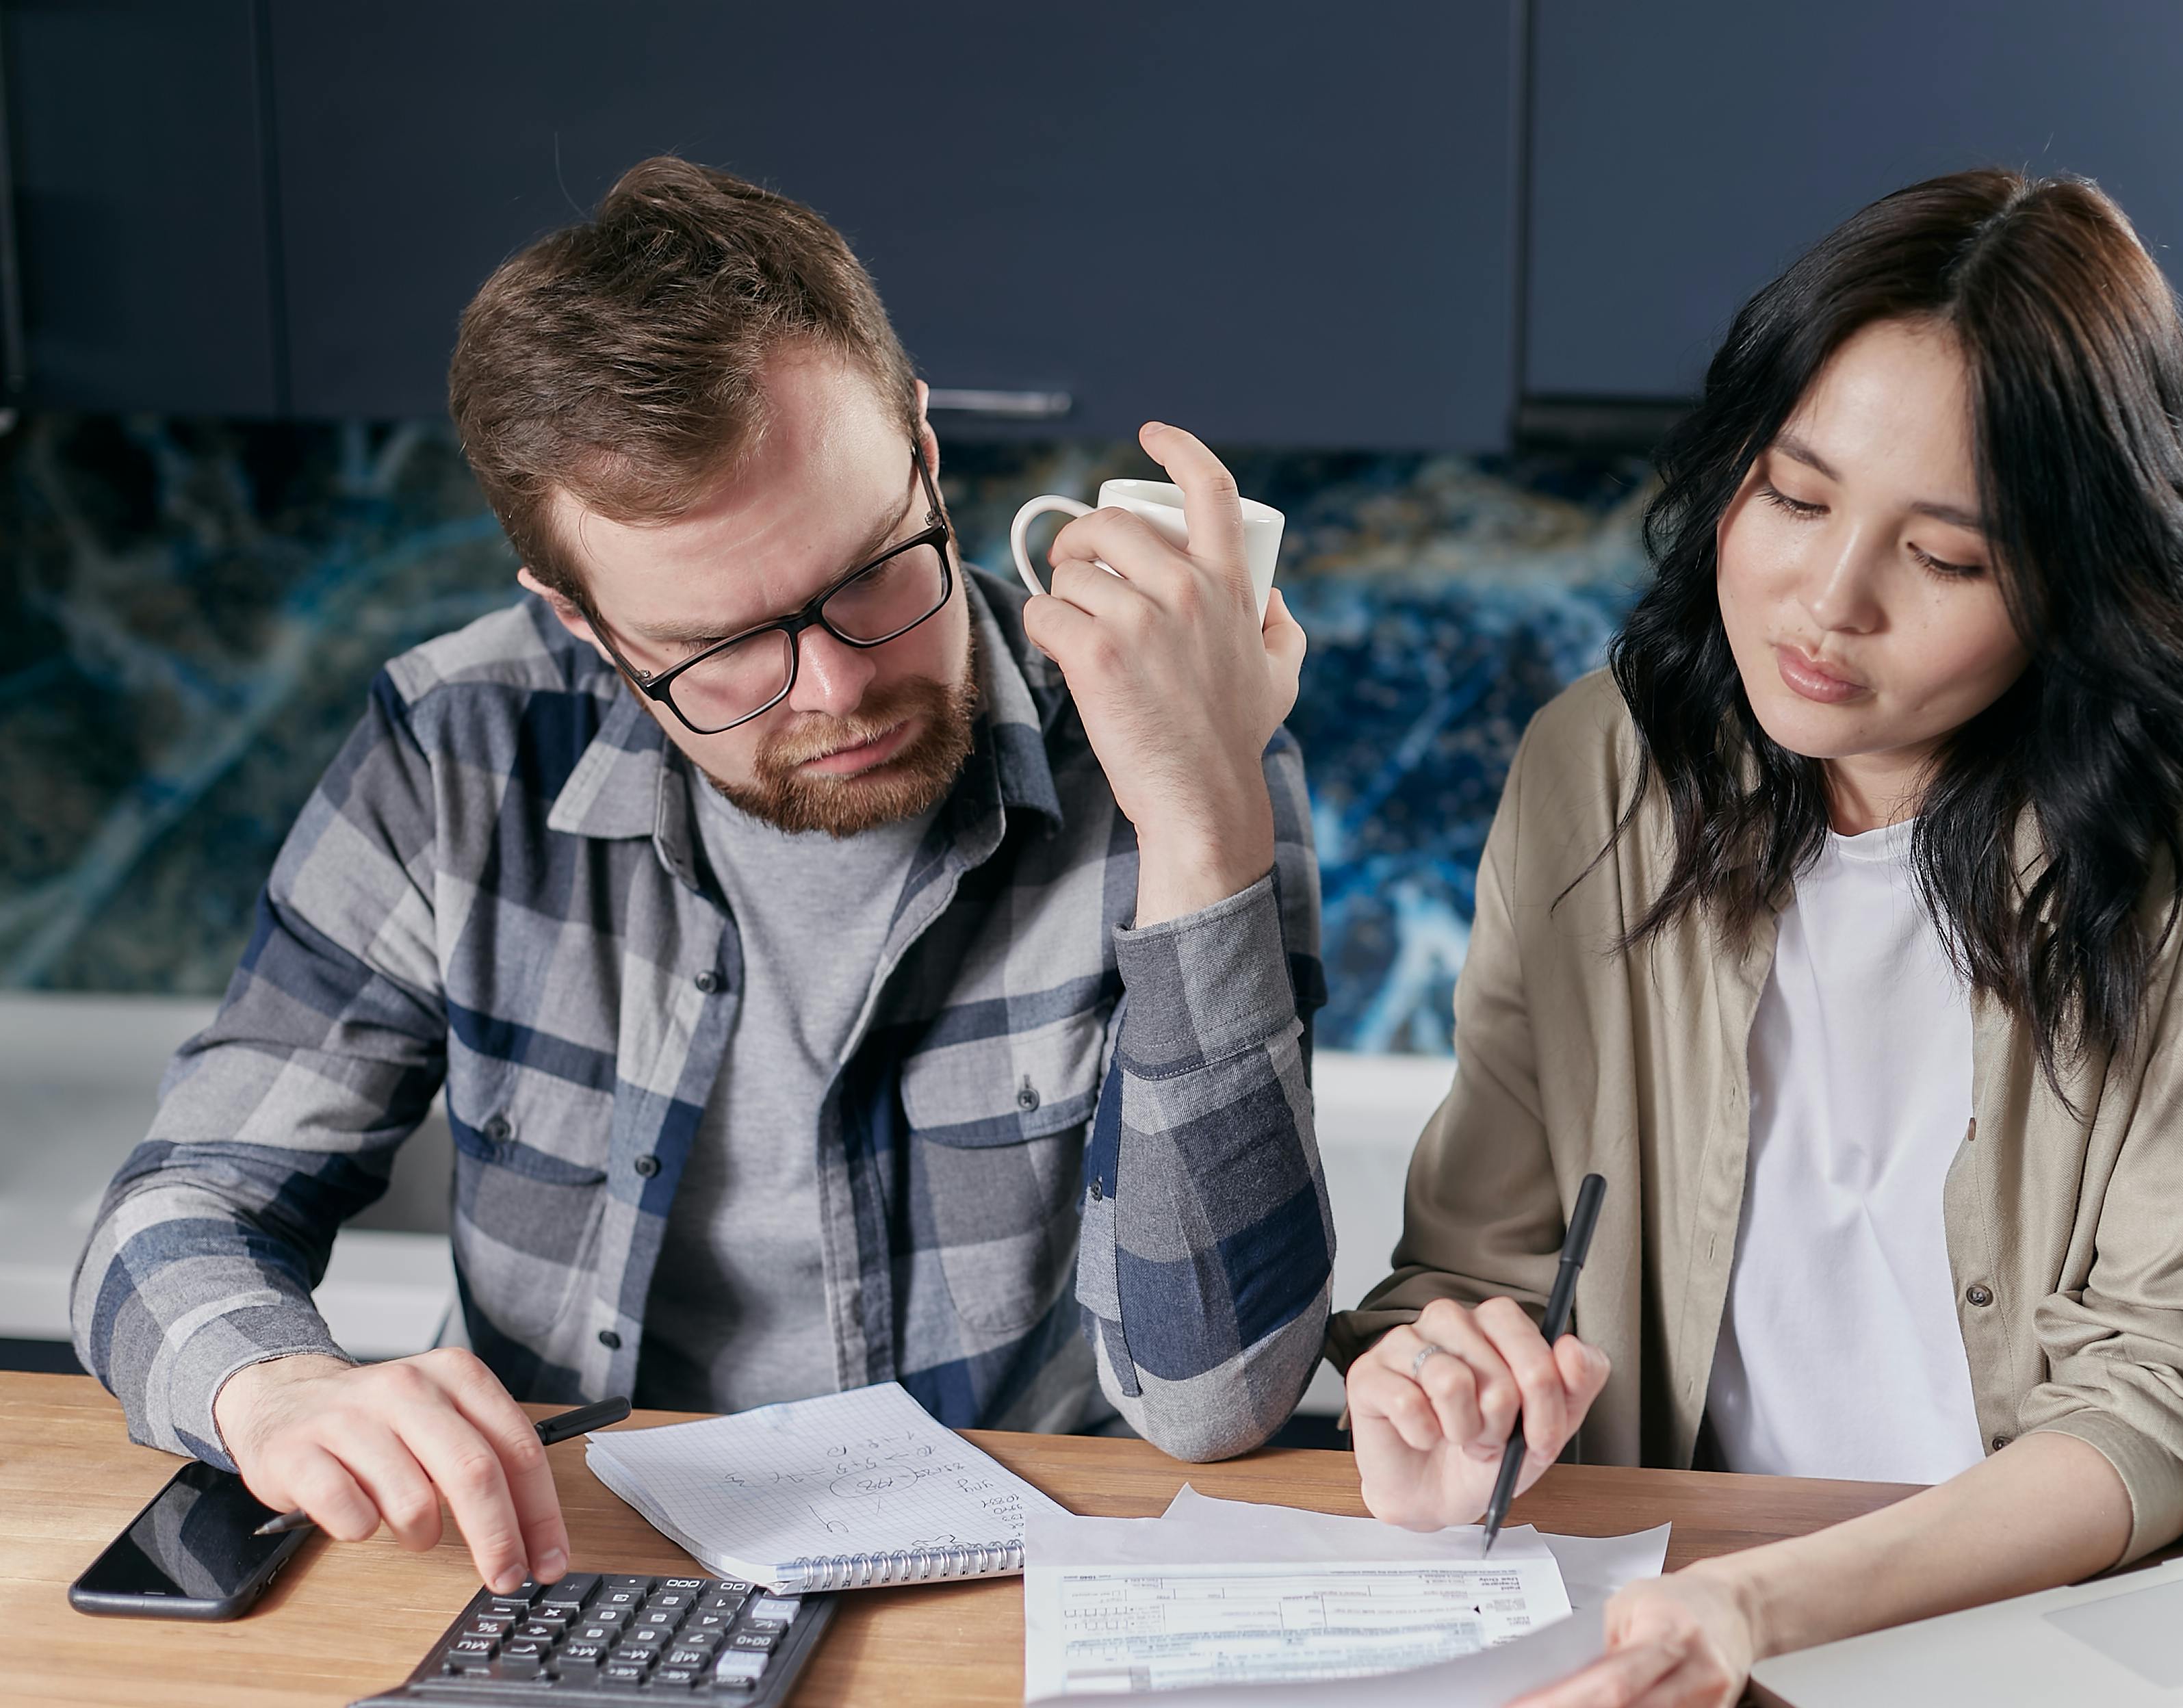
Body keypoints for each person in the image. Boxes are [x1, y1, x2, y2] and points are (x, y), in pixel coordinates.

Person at [72, 159, 1334, 1596]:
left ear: (924, 453)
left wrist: (1201, 817)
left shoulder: (1172, 740)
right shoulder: (458, 748)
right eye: (723, 646)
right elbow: (176, 1209)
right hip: (577, 1578)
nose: (839, 688)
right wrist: (275, 1390)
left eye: (870, 573)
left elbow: (1214, 1396)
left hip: (1005, 1602)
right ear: (582, 620)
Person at [1328, 168, 2183, 1708]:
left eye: (1945, 561)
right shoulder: (1594, 773)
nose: (1829, 602)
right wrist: (1438, 1403)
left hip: (2051, 1644)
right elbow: (1479, 1268)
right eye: (1795, 499)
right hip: (1671, 1634)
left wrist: (1766, 1606)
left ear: (2070, 583)